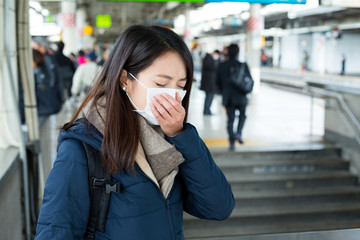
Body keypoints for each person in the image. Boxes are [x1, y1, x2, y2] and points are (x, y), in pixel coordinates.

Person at [35, 25, 234, 239]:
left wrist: (182, 135)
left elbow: (218, 207)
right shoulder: (82, 147)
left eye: (180, 86)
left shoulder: (173, 141)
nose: (172, 95)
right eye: (160, 83)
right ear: (125, 80)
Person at [216, 44, 249, 151]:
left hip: (228, 97)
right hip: (241, 96)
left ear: (228, 52)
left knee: (230, 120)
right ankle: (239, 133)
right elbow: (249, 80)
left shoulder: (222, 65)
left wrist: (223, 92)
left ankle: (231, 142)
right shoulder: (243, 65)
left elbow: (217, 82)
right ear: (238, 52)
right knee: (242, 115)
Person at [200, 50, 220, 115]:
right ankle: (206, 110)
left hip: (210, 82)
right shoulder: (207, 58)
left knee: (210, 96)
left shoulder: (209, 58)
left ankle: (207, 110)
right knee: (209, 96)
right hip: (209, 82)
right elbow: (211, 67)